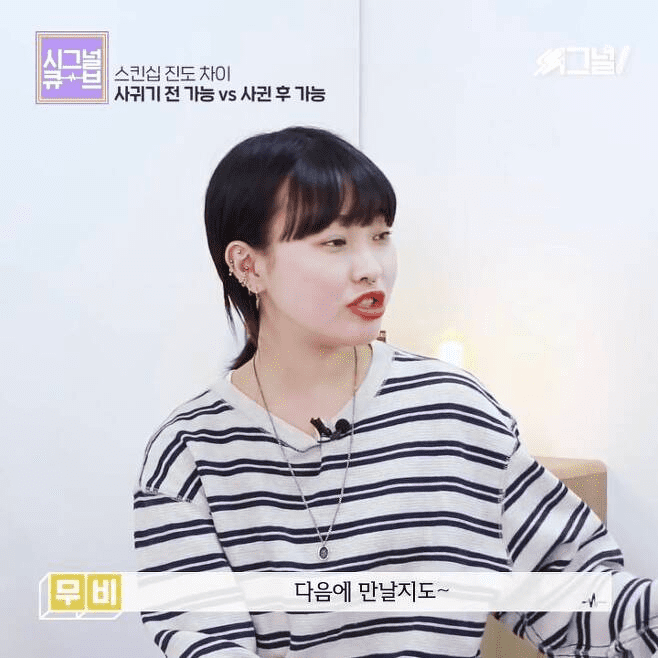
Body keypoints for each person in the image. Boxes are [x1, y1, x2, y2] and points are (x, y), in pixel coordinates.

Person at [134, 126, 657, 657]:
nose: (372, 269)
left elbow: (579, 600)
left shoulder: (453, 410)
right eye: (335, 242)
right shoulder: (189, 454)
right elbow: (205, 642)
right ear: (249, 265)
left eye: (381, 236)